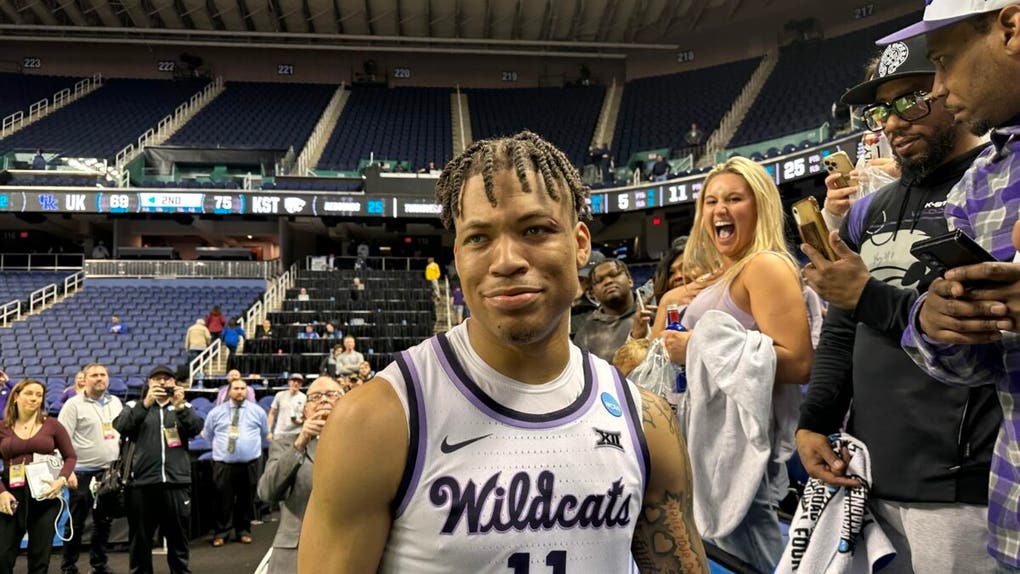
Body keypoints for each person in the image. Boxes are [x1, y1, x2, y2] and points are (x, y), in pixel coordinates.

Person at [298, 131, 708, 573]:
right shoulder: (377, 420)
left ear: (581, 244)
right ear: (457, 255)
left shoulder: (646, 421)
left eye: (535, 229)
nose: (507, 260)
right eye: (479, 238)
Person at [797, 34, 999, 574]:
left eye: (910, 99)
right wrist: (815, 419)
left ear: (947, 87)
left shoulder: (993, 187)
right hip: (871, 471)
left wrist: (866, 295)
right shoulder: (871, 209)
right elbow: (844, 324)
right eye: (882, 109)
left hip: (965, 481)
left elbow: (974, 324)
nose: (891, 121)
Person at [877, 3, 1020, 571]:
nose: (939, 88)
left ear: (1010, 29)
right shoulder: (981, 184)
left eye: (943, 62)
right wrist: (935, 325)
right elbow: (973, 368)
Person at [651, 156, 813, 573]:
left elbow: (798, 362)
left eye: (734, 199)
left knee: (754, 558)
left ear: (759, 206)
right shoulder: (718, 278)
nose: (719, 209)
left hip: (737, 454)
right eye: (711, 200)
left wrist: (699, 349)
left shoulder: (765, 266)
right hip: (699, 448)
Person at [113, 365, 204, 574]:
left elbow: (196, 429)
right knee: (140, 540)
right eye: (157, 379)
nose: (162, 383)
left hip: (176, 483)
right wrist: (145, 404)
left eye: (167, 379)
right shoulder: (134, 405)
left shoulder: (183, 407)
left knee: (178, 539)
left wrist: (180, 407)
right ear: (149, 383)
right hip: (142, 484)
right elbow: (122, 426)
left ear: (174, 383)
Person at [257, 376, 343, 574]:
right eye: (315, 397)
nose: (323, 400)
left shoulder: (361, 445)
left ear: (345, 402)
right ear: (306, 410)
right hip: (294, 553)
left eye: (331, 394)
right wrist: (300, 443)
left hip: (347, 551)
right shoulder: (285, 444)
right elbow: (266, 492)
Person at [0, 379, 77, 574]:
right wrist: (1, 492)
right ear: (16, 396)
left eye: (38, 395)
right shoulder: (2, 427)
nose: (34, 398)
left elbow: (70, 456)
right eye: (29, 393)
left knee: (40, 557)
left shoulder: (52, 425)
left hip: (45, 494)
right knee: (2, 555)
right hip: (11, 494)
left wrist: (61, 480)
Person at [58, 363, 123, 574]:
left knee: (103, 523)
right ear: (84, 379)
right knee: (75, 524)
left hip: (109, 473)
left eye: (103, 375)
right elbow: (61, 439)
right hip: (81, 473)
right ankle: (68, 567)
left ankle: (99, 565)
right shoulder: (73, 405)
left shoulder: (115, 402)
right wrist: (67, 472)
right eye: (94, 375)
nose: (99, 378)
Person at [202, 378, 267, 547]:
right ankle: (221, 532)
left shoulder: (257, 411)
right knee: (222, 499)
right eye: (236, 388)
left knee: (246, 499)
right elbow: (207, 434)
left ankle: (243, 531)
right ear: (229, 391)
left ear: (247, 391)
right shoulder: (216, 413)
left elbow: (263, 432)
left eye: (243, 388)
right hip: (224, 464)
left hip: (250, 463)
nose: (240, 391)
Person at [572, 258, 639, 362]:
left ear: (630, 280)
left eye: (614, 274)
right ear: (592, 293)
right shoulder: (585, 335)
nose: (608, 281)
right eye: (599, 280)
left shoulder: (654, 315)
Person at [267, 374, 306, 442]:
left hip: (296, 434)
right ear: (289, 382)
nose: (296, 383)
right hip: (280, 433)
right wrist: (269, 431)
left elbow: (306, 416)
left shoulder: (304, 397)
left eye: (299, 382)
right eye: (294, 381)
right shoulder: (280, 395)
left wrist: (300, 421)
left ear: (301, 384)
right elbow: (271, 414)